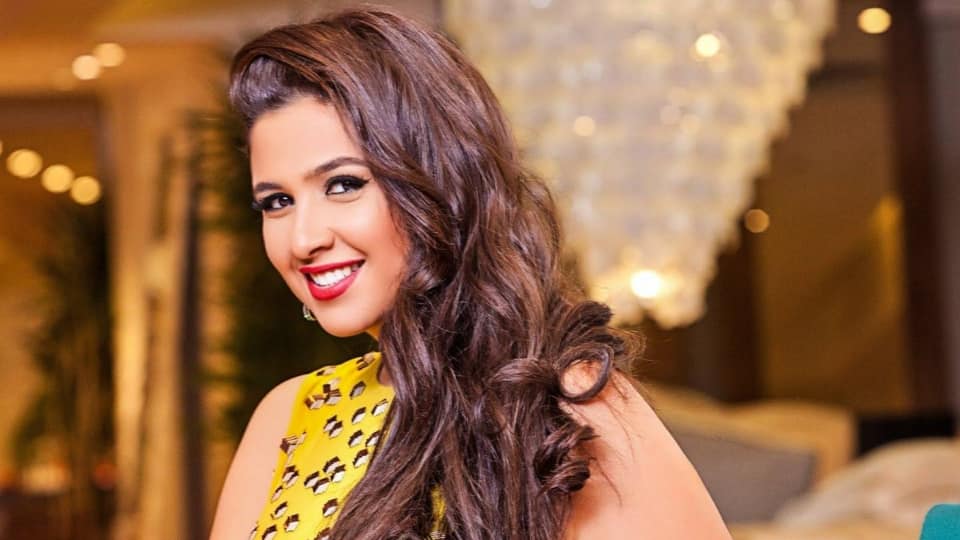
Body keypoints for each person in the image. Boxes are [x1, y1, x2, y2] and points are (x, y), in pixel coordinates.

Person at [210, 7, 730, 540]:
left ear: (441, 182)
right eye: (276, 202)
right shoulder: (289, 416)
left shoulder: (564, 404)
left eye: (344, 185)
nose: (302, 239)